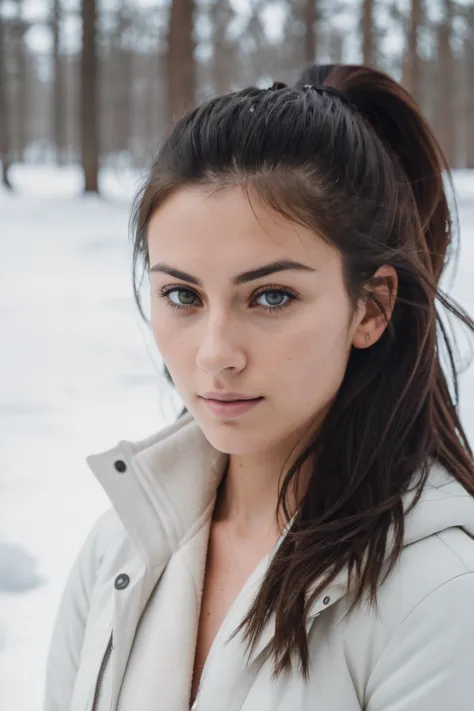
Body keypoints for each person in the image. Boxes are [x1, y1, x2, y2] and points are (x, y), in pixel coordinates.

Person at [44, 63, 474, 711]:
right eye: (182, 294)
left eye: (271, 296)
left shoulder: (440, 592)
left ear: (371, 307)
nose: (216, 353)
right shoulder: (122, 545)